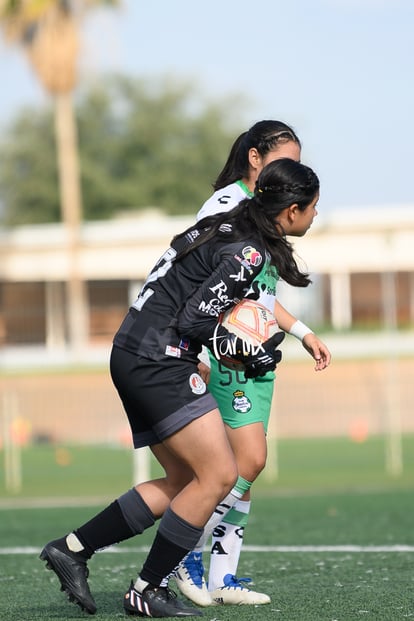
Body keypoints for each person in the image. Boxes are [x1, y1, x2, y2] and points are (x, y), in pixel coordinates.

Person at [39, 157, 319, 618]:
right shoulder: (248, 252)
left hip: (135, 351)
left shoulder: (223, 224)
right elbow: (194, 320)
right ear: (291, 211)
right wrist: (247, 349)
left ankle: (71, 550)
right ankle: (147, 589)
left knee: (185, 481)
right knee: (220, 474)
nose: (315, 216)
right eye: (313, 208)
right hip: (157, 359)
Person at [174, 121, 331, 607]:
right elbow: (201, 282)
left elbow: (261, 295)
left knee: (247, 465)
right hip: (227, 351)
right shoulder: (227, 208)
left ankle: (223, 577)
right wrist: (199, 349)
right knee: (241, 462)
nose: (294, 170)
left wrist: (300, 332)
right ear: (256, 159)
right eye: (286, 160)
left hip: (257, 352)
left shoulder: (264, 217)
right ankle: (183, 554)